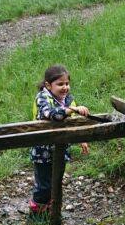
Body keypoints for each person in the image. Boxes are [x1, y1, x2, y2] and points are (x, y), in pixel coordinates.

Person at [29, 65, 89, 215]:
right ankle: (37, 212)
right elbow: (51, 114)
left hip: (61, 147)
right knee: (44, 184)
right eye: (60, 84)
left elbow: (73, 122)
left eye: (67, 83)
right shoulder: (42, 98)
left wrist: (82, 138)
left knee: (56, 180)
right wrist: (71, 110)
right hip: (42, 149)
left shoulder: (68, 99)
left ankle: (53, 209)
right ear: (48, 85)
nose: (65, 87)